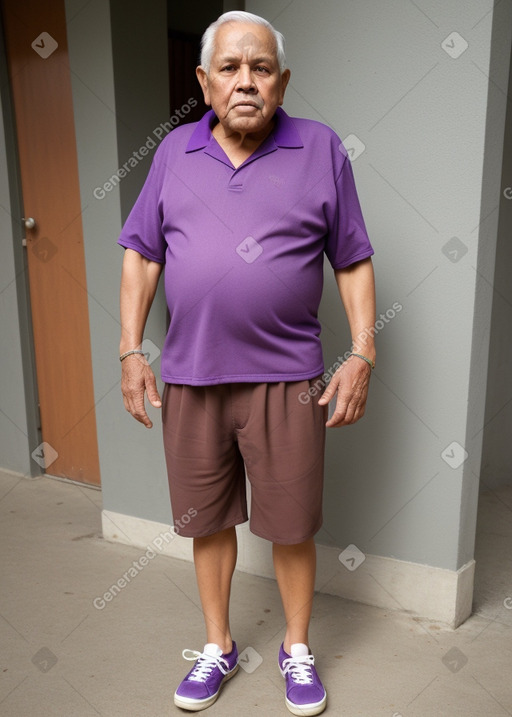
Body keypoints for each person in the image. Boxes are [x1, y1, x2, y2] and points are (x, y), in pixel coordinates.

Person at [118, 10, 376, 716]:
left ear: (282, 81)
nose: (246, 81)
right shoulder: (173, 152)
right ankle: (219, 644)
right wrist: (129, 349)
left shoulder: (321, 149)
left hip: (288, 377)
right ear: (204, 82)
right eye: (230, 68)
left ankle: (295, 649)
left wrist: (363, 349)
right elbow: (141, 253)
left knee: (291, 524)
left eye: (261, 68)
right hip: (192, 374)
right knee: (207, 519)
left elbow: (351, 257)